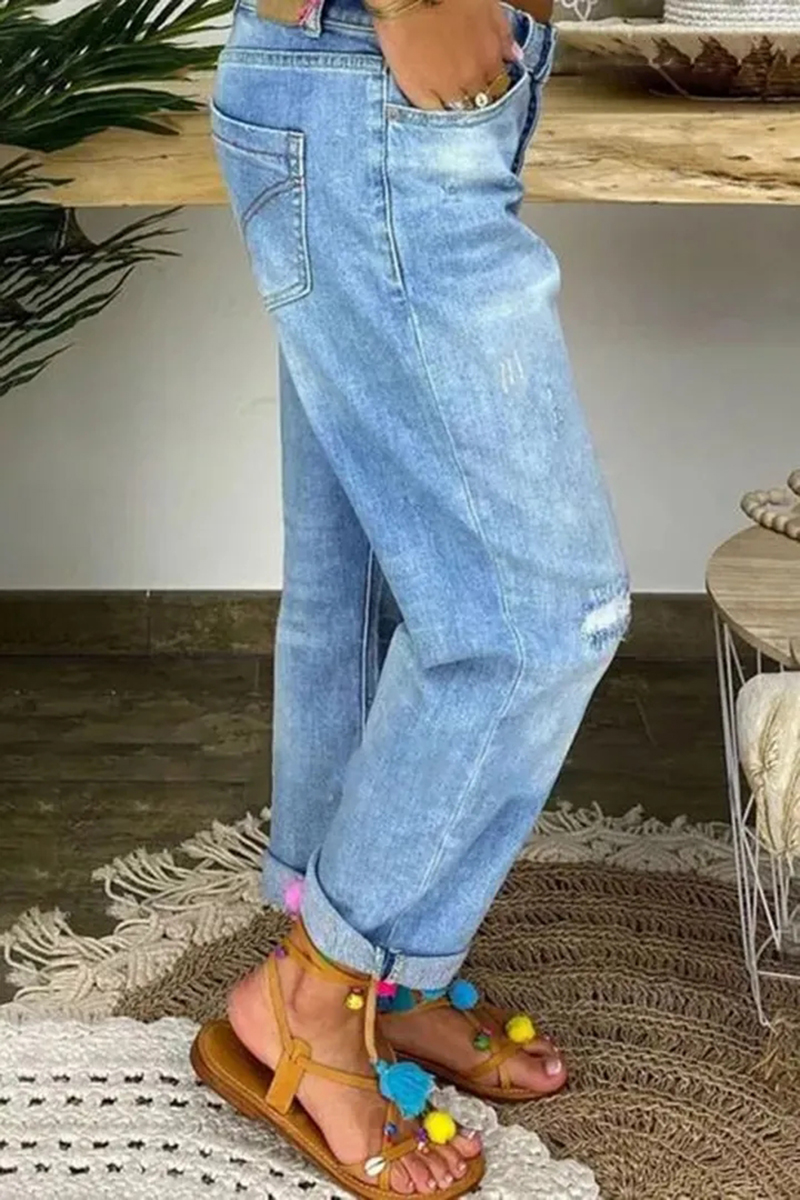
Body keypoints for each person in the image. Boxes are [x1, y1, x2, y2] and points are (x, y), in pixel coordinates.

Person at [191, 0, 630, 1194]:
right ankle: (314, 993)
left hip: (378, 90)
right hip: (368, 76)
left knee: (376, 580)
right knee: (537, 619)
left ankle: (387, 980)